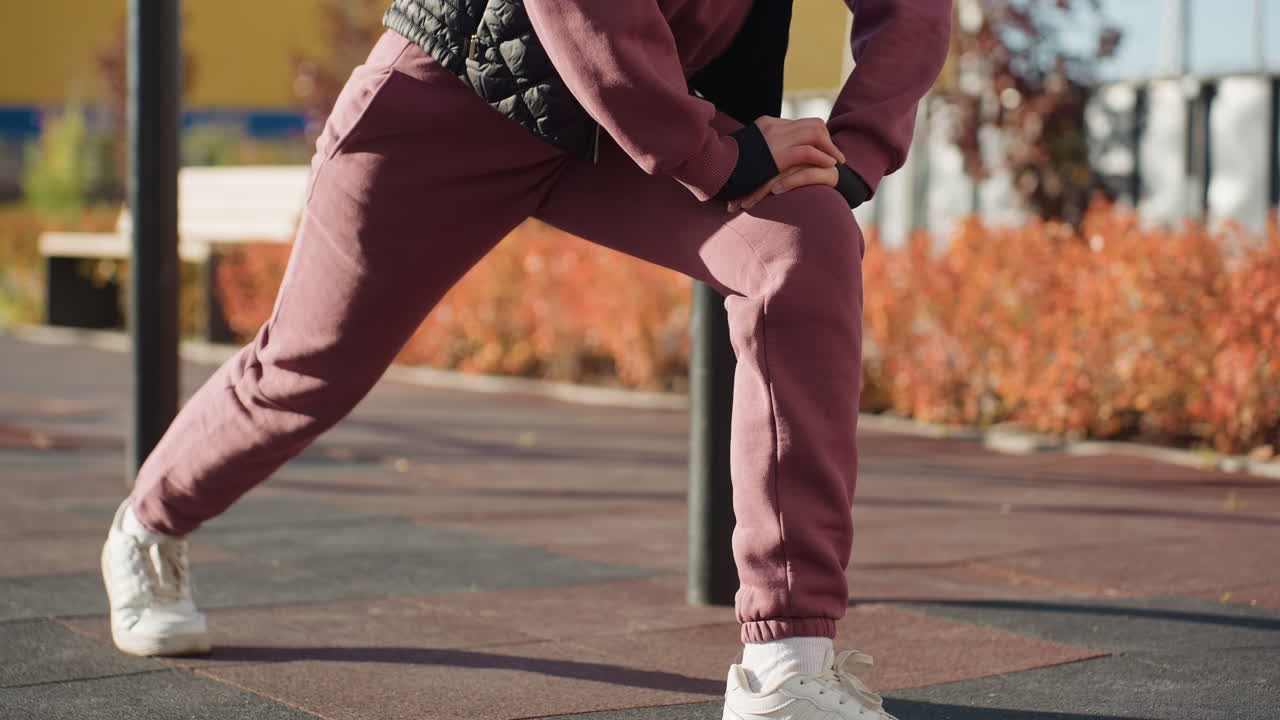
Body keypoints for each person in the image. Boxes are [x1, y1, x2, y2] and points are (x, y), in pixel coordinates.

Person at [100, 1, 952, 718]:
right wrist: (717, 156)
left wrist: (856, 152)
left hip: (643, 116)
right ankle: (148, 525)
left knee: (802, 245)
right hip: (465, 90)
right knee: (304, 368)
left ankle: (789, 665)